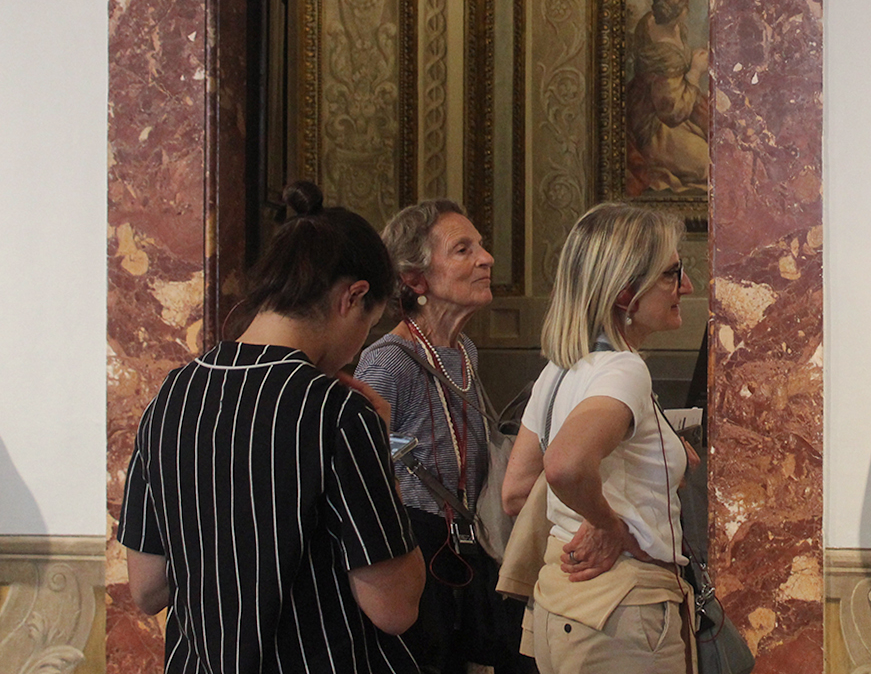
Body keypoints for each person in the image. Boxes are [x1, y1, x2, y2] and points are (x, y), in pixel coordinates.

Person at [117, 180, 424, 673]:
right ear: (353, 296)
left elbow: (147, 588)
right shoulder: (335, 410)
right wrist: (381, 454)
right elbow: (394, 608)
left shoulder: (171, 396)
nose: (357, 350)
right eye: (368, 326)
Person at [502, 202, 698, 674]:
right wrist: (609, 524)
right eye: (672, 274)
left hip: (563, 608)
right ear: (625, 292)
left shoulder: (559, 371)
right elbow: (566, 464)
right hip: (622, 613)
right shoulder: (625, 369)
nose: (687, 287)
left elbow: (516, 491)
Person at [356, 199, 526, 674]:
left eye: (481, 246)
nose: (487, 258)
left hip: (471, 549)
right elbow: (366, 473)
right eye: (462, 249)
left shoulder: (465, 350)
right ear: (415, 280)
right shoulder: (387, 360)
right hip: (418, 557)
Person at [625, 0, 711, 194]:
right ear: (679, 12)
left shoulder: (654, 22)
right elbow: (672, 113)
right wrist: (695, 71)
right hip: (656, 123)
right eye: (685, 7)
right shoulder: (663, 56)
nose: (687, 11)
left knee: (721, 137)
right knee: (708, 166)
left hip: (674, 99)